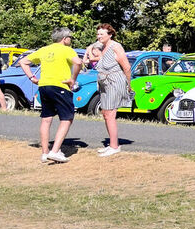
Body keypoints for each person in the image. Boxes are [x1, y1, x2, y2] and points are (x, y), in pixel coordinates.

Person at [23, 29, 84, 163]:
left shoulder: (44, 49)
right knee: (67, 118)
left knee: (46, 119)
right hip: (60, 85)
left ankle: (45, 153)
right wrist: (72, 79)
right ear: (64, 38)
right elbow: (78, 63)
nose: (71, 40)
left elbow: (24, 62)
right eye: (70, 37)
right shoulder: (67, 50)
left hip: (44, 86)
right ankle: (55, 151)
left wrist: (32, 77)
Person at [86, 23, 132, 156]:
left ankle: (114, 146)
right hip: (104, 82)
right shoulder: (102, 46)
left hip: (114, 81)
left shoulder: (115, 46)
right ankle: (111, 143)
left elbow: (127, 67)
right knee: (105, 113)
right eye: (98, 34)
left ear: (110, 34)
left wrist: (128, 85)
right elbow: (90, 51)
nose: (98, 36)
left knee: (110, 113)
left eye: (102, 34)